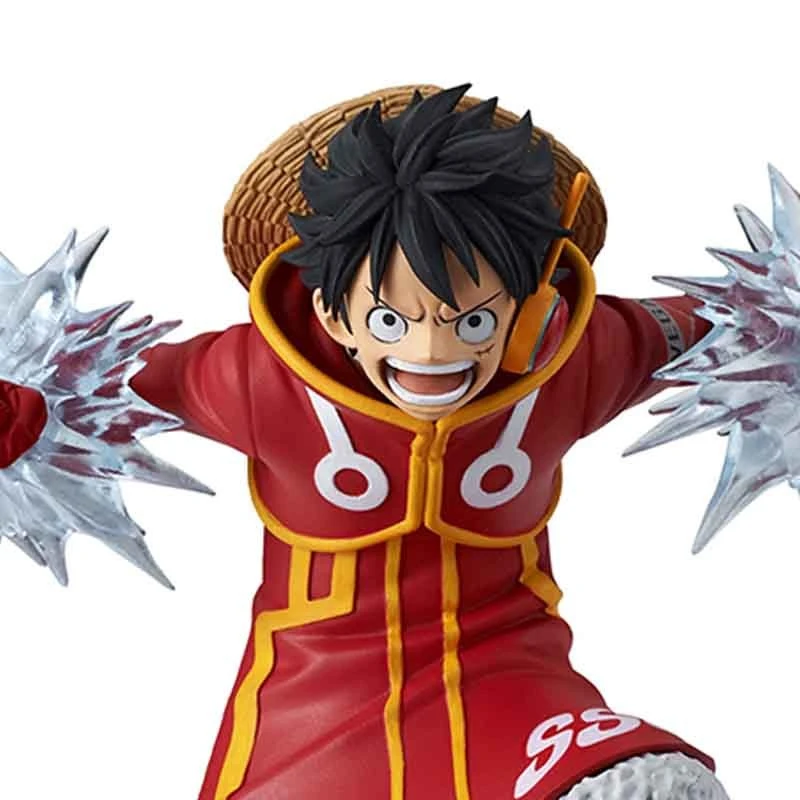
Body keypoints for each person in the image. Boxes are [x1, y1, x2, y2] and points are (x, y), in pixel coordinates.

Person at [130, 85, 729, 799]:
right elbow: (109, 384)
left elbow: (729, 324)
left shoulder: (580, 357)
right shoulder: (256, 378)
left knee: (644, 787)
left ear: (528, 309)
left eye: (472, 322)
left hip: (516, 676)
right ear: (333, 313)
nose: (432, 352)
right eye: (392, 321)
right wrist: (30, 412)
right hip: (316, 694)